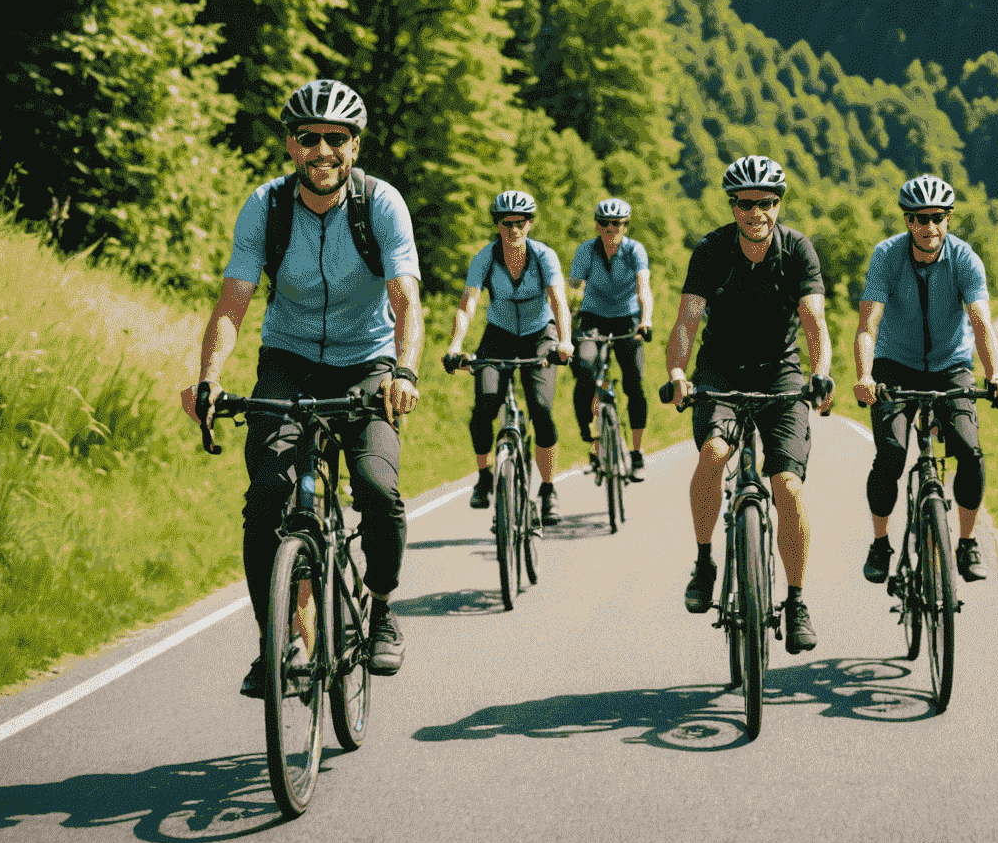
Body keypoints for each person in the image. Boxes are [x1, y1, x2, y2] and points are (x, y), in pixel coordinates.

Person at [185, 79, 423, 698]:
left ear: (353, 144)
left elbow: (406, 297)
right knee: (266, 497)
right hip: (287, 362)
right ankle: (273, 644)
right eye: (308, 138)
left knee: (377, 488)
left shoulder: (381, 204)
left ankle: (381, 609)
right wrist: (209, 379)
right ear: (291, 146)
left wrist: (403, 370)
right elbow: (234, 301)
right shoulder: (265, 207)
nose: (322, 150)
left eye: (336, 139)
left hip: (366, 364)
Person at [664, 155, 833, 655]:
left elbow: (813, 319)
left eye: (766, 203)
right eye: (745, 203)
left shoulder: (797, 249)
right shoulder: (712, 250)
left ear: (778, 204)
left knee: (786, 484)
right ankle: (704, 561)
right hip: (720, 369)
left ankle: (797, 601)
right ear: (733, 206)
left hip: (781, 371)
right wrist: (678, 371)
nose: (756, 211)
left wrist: (820, 371)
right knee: (714, 454)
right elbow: (686, 322)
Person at [852, 174, 998, 587]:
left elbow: (981, 322)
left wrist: (994, 373)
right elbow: (868, 325)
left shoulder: (965, 259)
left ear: (948, 218)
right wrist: (864, 375)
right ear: (907, 221)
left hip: (949, 364)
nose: (930, 227)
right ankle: (881, 543)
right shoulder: (886, 256)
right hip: (894, 364)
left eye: (938, 218)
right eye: (920, 219)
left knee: (970, 452)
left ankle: (967, 542)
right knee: (890, 452)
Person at [442, 191, 574, 526]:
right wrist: (455, 346)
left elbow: (559, 302)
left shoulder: (544, 256)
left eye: (520, 223)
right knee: (485, 406)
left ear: (530, 224)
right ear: (497, 225)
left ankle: (547, 490)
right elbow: (467, 305)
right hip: (498, 337)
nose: (513, 229)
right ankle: (485, 475)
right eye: (506, 223)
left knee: (541, 411)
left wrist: (565, 341)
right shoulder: (485, 259)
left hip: (540, 336)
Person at [569, 197, 654, 480]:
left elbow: (644, 288)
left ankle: (637, 452)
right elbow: (574, 291)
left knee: (634, 383)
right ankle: (591, 438)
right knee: (584, 368)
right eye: (604, 223)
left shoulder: (634, 251)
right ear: (596, 225)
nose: (610, 228)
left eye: (616, 223)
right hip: (592, 316)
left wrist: (646, 320)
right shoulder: (586, 251)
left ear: (625, 226)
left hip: (627, 318)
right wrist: (568, 326)